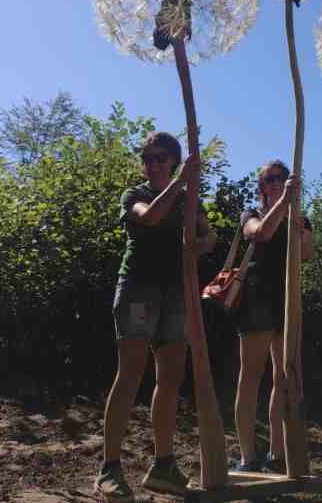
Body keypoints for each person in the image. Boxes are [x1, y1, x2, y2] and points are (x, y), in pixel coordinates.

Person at [94, 131, 216, 502]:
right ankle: (109, 469)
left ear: (173, 159)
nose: (153, 163)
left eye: (161, 157)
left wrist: (201, 243)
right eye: (148, 157)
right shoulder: (135, 195)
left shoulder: (188, 200)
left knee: (170, 380)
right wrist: (181, 182)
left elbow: (209, 236)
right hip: (138, 289)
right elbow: (149, 218)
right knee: (130, 375)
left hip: (176, 293)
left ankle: (162, 466)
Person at [232, 160, 313, 472]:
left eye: (281, 179)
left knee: (284, 377)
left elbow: (305, 254)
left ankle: (277, 455)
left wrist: (298, 224)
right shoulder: (251, 215)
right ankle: (247, 456)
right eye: (271, 179)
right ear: (262, 185)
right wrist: (283, 204)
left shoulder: (299, 218)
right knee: (250, 376)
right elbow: (260, 234)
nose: (276, 183)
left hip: (287, 299)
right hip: (256, 299)